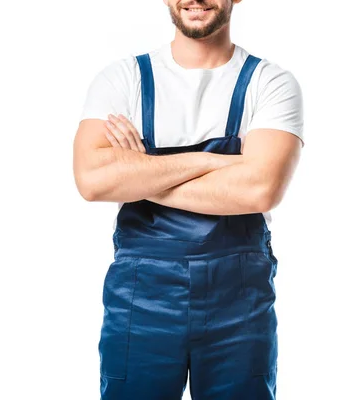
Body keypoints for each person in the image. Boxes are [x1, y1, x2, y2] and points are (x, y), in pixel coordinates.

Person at [72, 0, 304, 398]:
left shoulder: (271, 83)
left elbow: (260, 189)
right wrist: (213, 162)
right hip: (141, 300)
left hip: (240, 303)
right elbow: (93, 181)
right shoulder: (123, 79)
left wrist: (141, 171)